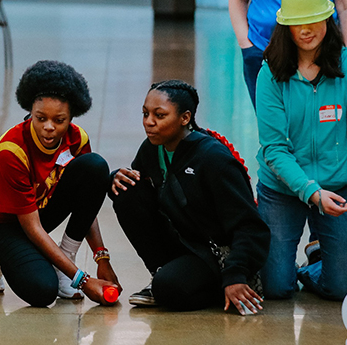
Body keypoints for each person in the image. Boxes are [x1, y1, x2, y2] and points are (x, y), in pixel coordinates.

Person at [256, 0, 347, 301]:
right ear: (285, 26)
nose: (307, 29)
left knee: (342, 289)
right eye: (297, 22)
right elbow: (274, 148)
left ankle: (314, 260)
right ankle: (298, 259)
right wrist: (312, 193)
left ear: (329, 18)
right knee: (275, 288)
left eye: (314, 20)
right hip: (282, 189)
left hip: (340, 186)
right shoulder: (270, 73)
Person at [109, 80, 270, 314]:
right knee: (125, 190)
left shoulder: (214, 158)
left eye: (159, 115)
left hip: (215, 252)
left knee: (169, 290)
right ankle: (163, 271)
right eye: (145, 114)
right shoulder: (152, 148)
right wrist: (115, 177)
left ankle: (216, 283)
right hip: (183, 242)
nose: (148, 122)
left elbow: (250, 226)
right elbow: (141, 198)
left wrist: (236, 273)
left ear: (185, 118)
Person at [0, 60, 121, 308]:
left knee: (95, 167)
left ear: (71, 117)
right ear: (30, 110)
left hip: (38, 210)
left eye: (59, 120)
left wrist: (101, 257)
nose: (49, 127)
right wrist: (82, 280)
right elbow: (31, 228)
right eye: (40, 118)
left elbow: (88, 201)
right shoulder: (11, 152)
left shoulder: (76, 138)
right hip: (0, 225)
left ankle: (65, 262)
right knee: (42, 291)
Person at [228, 0, 347, 109]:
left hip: (319, 54)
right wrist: (247, 46)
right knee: (271, 124)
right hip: (262, 49)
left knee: (319, 125)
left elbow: (346, 6)